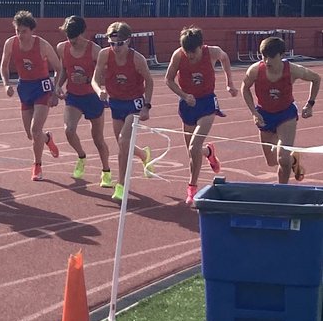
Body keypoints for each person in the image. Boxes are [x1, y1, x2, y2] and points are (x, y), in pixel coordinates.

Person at [165, 27, 238, 205]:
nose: (190, 56)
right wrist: (183, 95)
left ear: (201, 46)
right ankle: (209, 152)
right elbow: (168, 79)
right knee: (193, 152)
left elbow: (225, 58)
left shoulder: (212, 52)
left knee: (193, 147)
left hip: (206, 103)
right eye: (187, 52)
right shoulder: (178, 55)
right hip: (187, 104)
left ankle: (192, 187)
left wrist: (229, 83)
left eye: (193, 52)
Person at [240, 35, 320, 184]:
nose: (267, 61)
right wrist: (254, 112)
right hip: (264, 115)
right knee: (271, 162)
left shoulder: (293, 70)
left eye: (271, 57)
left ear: (282, 55)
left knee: (282, 158)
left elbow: (316, 79)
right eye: (264, 56)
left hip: (286, 115)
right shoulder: (256, 70)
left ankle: (282, 191)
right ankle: (293, 159)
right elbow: (245, 88)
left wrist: (310, 104)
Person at [91, 22, 156, 202]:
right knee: (123, 144)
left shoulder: (137, 59)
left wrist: (147, 105)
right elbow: (94, 79)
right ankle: (143, 154)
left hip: (134, 102)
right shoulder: (104, 55)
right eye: (112, 43)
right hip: (115, 102)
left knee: (123, 141)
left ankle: (121, 184)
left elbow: (149, 82)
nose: (115, 47)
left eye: (119, 43)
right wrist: (99, 91)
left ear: (128, 41)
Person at [0, 10, 61, 182]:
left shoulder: (42, 45)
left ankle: (37, 165)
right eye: (18, 30)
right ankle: (47, 138)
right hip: (24, 87)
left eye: (24, 31)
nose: (20, 34)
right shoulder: (10, 44)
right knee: (30, 134)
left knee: (35, 130)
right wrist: (6, 83)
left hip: (41, 87)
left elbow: (58, 67)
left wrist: (55, 90)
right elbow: (4, 66)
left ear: (32, 31)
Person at [55, 15, 112, 187]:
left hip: (92, 97)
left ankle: (106, 172)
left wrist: (88, 80)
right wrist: (57, 85)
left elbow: (107, 74)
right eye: (68, 36)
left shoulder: (95, 50)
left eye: (74, 37)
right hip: (73, 96)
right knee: (69, 130)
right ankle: (81, 156)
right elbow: (63, 70)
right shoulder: (62, 48)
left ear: (83, 33)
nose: (71, 40)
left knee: (98, 139)